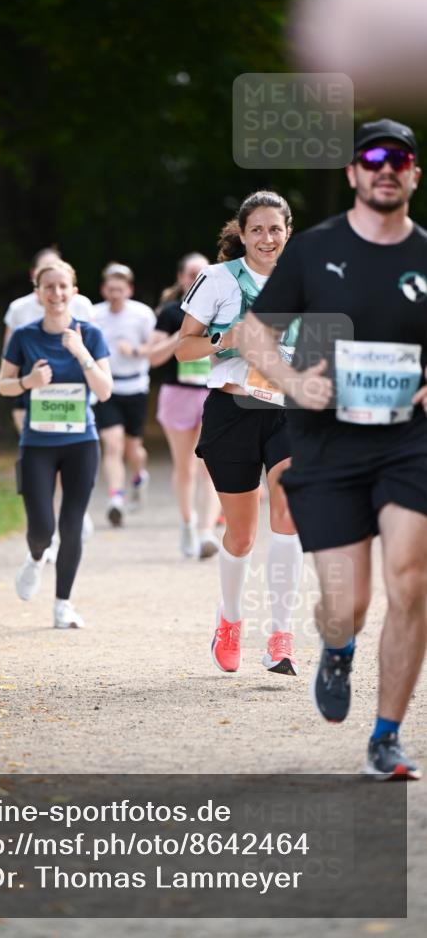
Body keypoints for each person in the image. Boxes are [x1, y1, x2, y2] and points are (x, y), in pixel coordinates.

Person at [239, 119, 426, 780]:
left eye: (398, 159)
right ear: (352, 174)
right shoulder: (313, 250)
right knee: (344, 603)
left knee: (410, 578)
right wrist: (292, 382)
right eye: (371, 158)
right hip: (325, 443)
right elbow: (251, 334)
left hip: (408, 441)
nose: (385, 168)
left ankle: (384, 736)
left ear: (412, 175)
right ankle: (336, 646)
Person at [177, 192, 304, 677]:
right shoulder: (218, 279)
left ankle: (281, 636)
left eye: (275, 229)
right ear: (243, 233)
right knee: (242, 534)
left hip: (288, 410)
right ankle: (230, 621)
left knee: (289, 512)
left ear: (287, 232)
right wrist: (226, 338)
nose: (266, 238)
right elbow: (183, 350)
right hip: (233, 408)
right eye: (257, 230)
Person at [0, 259, 112, 629]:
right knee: (42, 528)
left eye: (63, 286)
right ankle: (35, 558)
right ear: (38, 293)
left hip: (81, 441)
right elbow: (2, 385)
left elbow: (105, 390)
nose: (57, 293)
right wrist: (29, 381)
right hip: (38, 444)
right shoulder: (24, 336)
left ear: (74, 292)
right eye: (49, 287)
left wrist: (80, 352)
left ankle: (63, 604)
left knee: (72, 524)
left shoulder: (90, 335)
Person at [149, 252, 222, 558]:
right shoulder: (168, 313)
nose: (197, 279)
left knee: (212, 467)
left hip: (212, 394)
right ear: (181, 278)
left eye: (203, 274)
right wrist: (183, 338)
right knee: (186, 468)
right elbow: (153, 357)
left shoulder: (222, 308)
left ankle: (207, 532)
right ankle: (188, 524)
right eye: (192, 274)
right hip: (177, 394)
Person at [3, 247, 94, 435]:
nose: (51, 272)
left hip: (72, 388)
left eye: (55, 266)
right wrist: (25, 380)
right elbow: (8, 352)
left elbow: (94, 347)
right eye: (45, 267)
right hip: (32, 385)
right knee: (34, 447)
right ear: (34, 274)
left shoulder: (82, 304)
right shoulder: (19, 308)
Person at [92, 263, 156, 527]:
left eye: (120, 288)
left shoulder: (142, 315)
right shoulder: (94, 315)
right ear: (104, 289)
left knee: (133, 449)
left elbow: (156, 346)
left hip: (136, 387)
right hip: (108, 387)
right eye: (111, 288)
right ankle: (115, 499)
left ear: (129, 289)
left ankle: (139, 476)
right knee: (113, 443)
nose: (115, 293)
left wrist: (136, 351)